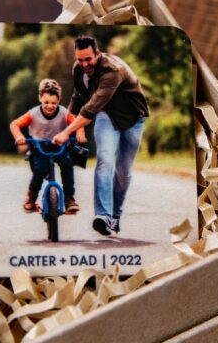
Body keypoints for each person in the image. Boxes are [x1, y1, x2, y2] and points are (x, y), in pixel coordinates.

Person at [52, 35, 149, 237]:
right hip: (107, 117)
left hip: (133, 119)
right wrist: (70, 126)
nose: (84, 64)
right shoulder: (78, 69)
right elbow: (79, 97)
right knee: (104, 160)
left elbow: (90, 109)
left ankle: (114, 217)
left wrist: (66, 132)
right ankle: (103, 216)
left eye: (88, 59)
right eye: (80, 59)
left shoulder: (112, 71)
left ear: (98, 53)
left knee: (123, 170)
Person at [10, 79, 86, 215]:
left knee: (67, 165)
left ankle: (69, 199)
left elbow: (77, 123)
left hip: (59, 146)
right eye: (46, 102)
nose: (50, 106)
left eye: (54, 103)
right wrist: (19, 137)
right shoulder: (33, 114)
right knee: (39, 169)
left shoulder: (64, 113)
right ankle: (31, 199)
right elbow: (15, 124)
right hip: (39, 147)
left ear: (59, 101)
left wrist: (80, 134)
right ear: (40, 98)